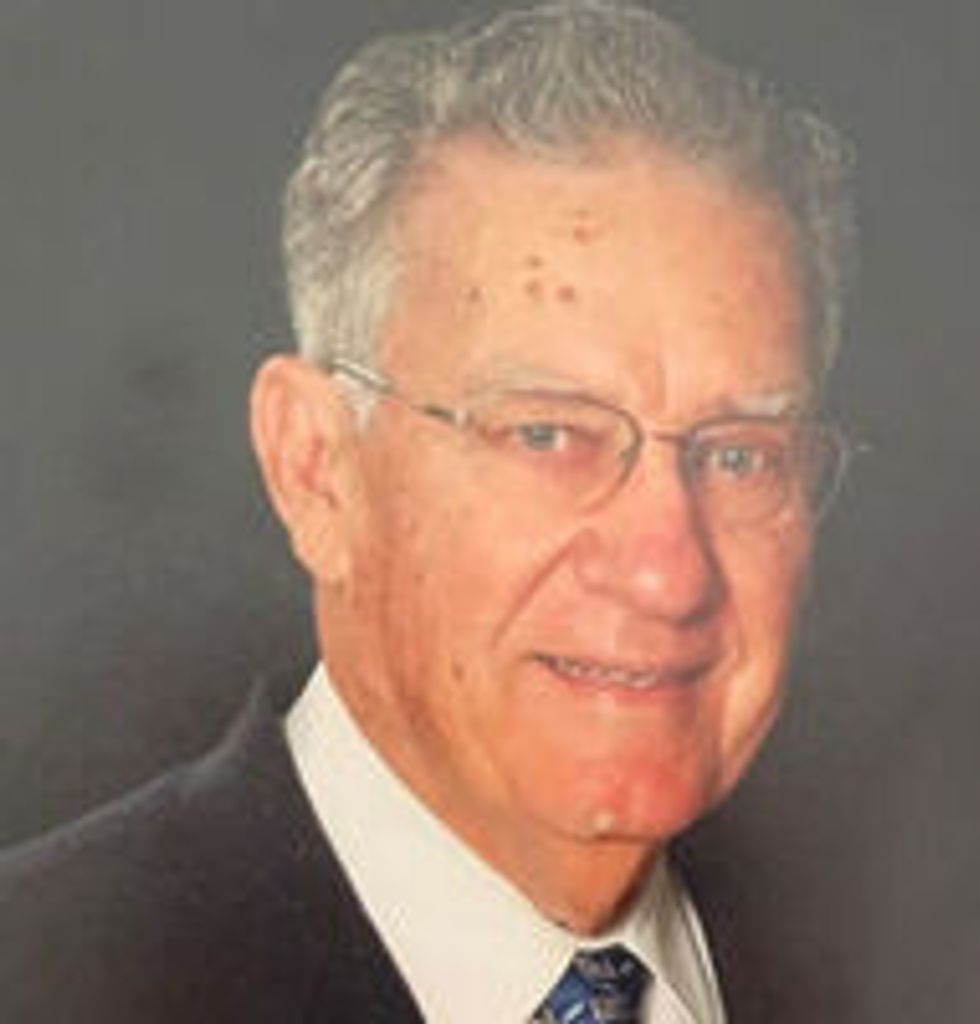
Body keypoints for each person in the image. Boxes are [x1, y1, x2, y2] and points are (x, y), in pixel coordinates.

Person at [0, 1, 856, 1020]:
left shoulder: (895, 967)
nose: (665, 572)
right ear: (316, 468)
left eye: (740, 455)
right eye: (549, 435)